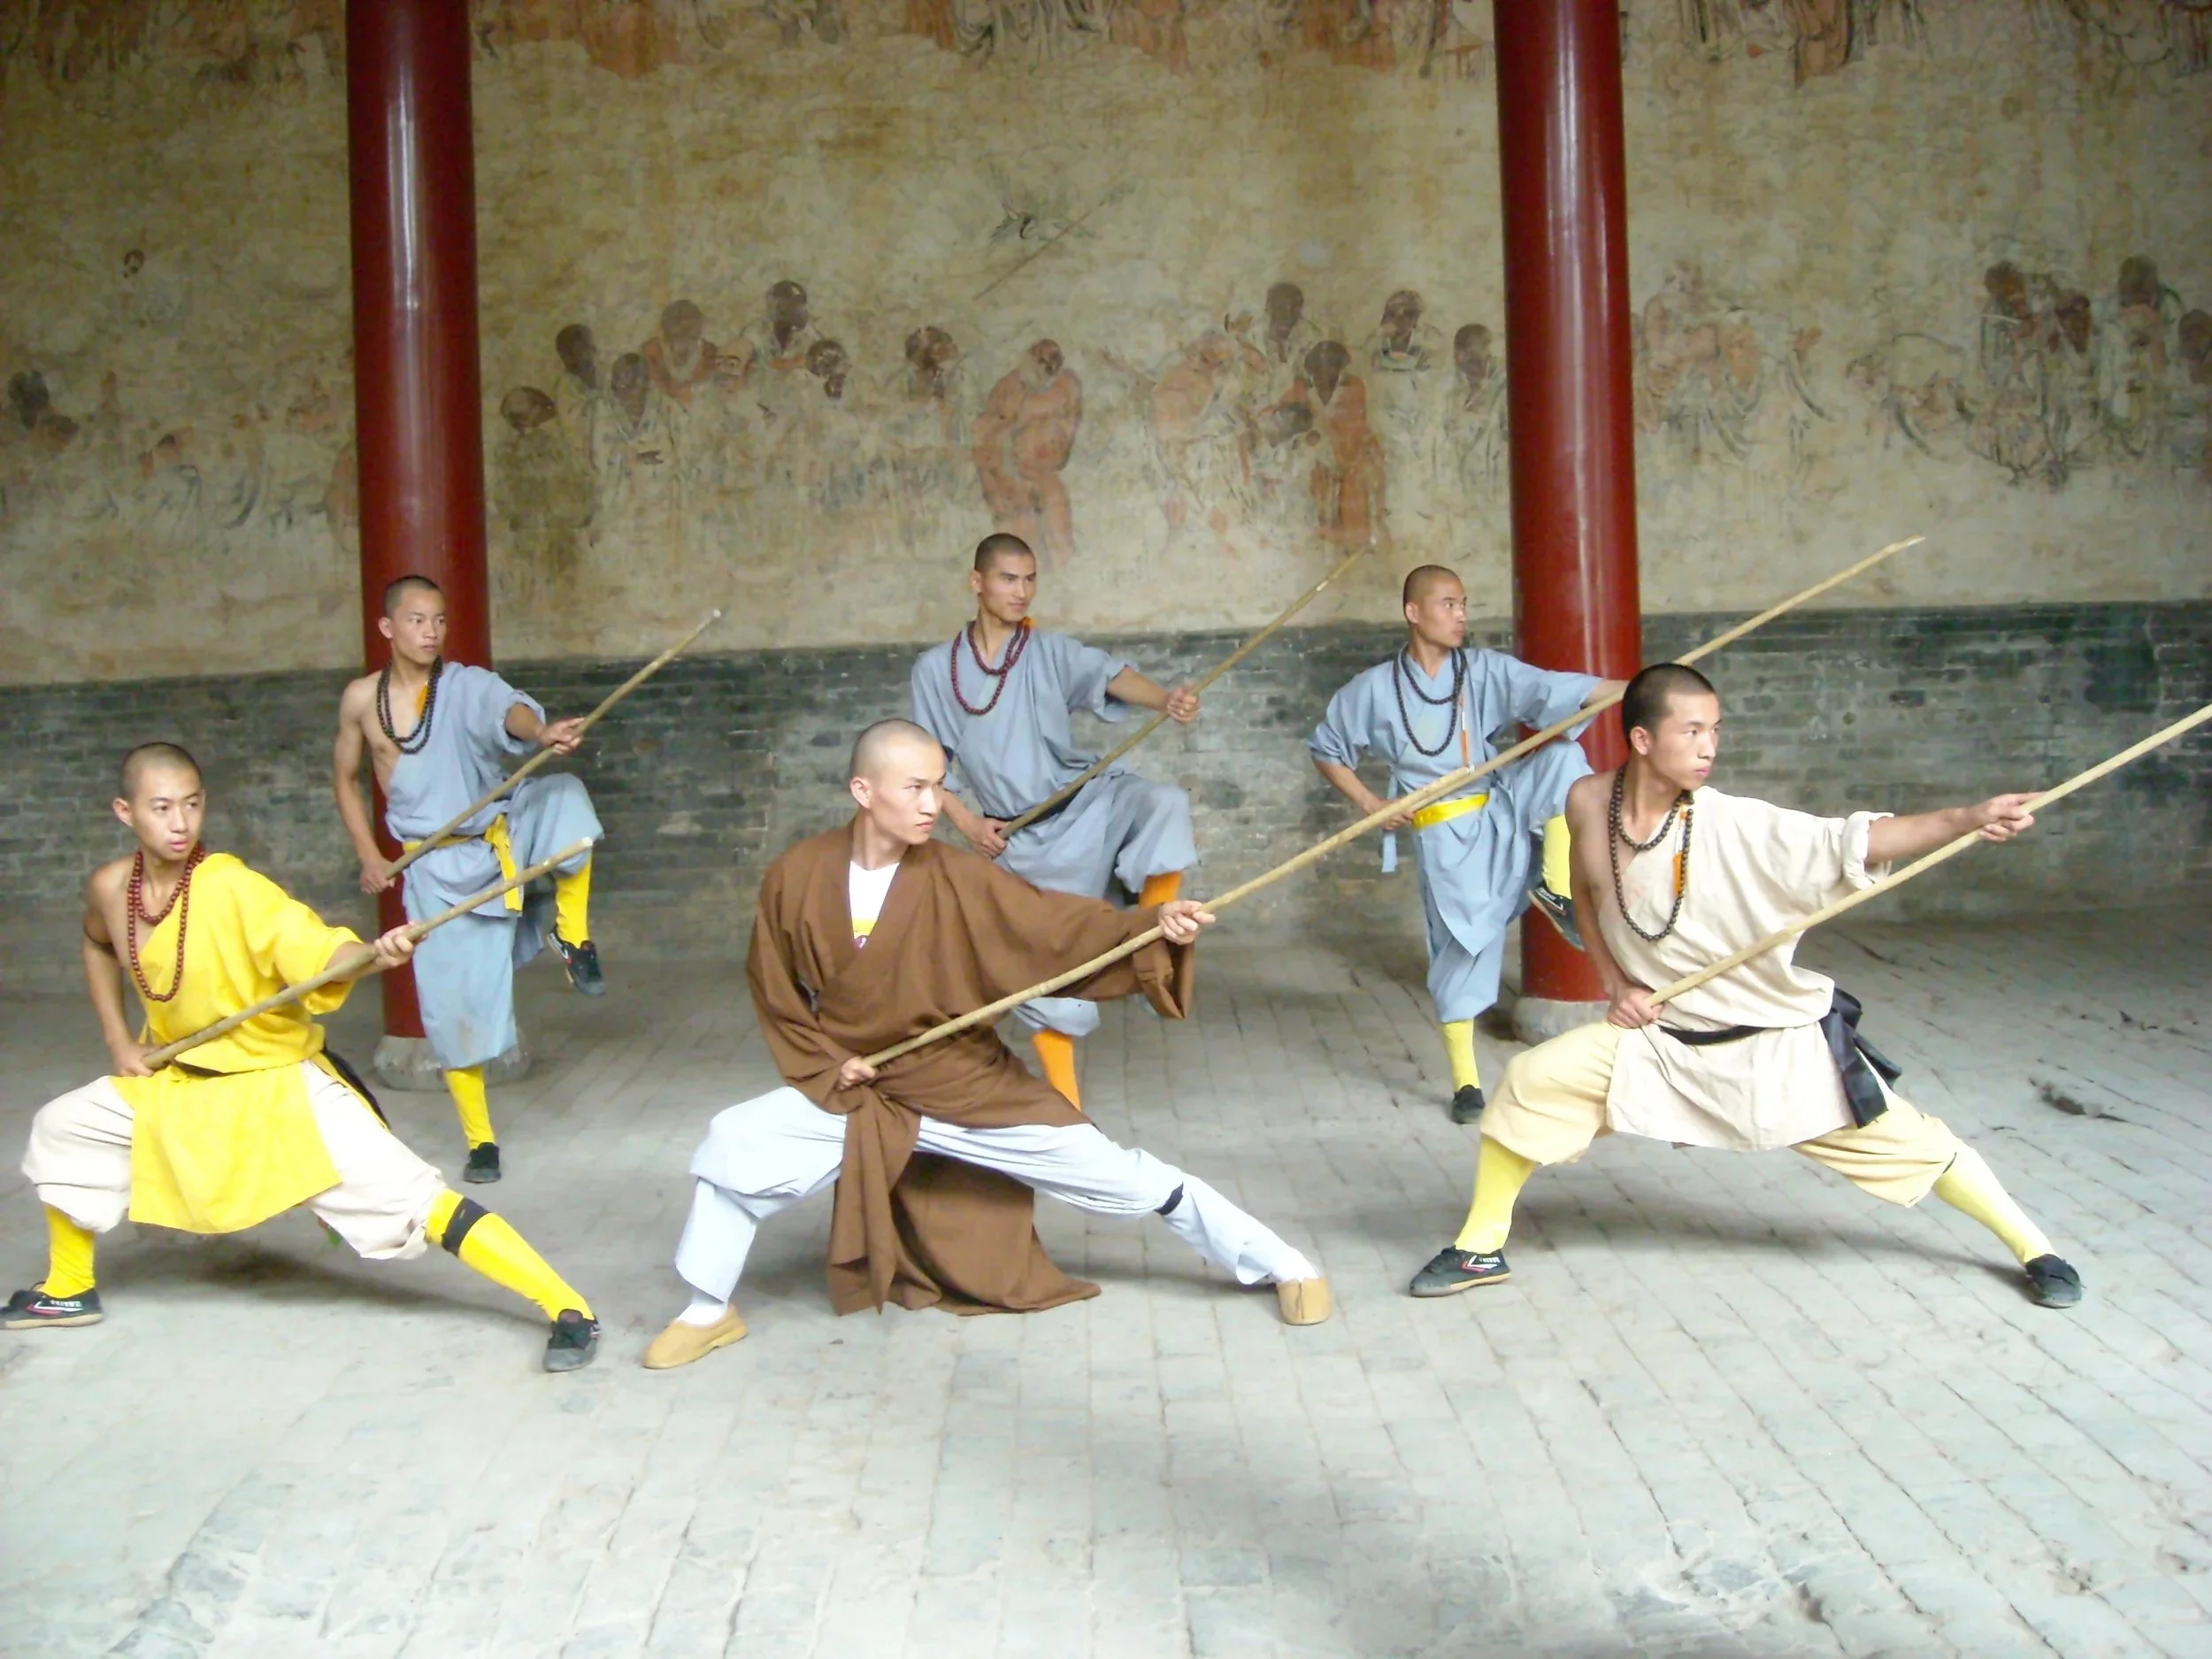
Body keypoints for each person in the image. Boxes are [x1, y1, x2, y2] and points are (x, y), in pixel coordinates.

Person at [641, 720, 1329, 1370]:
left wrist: (1151, 925)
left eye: (939, 786)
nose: (933, 804)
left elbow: (1051, 927)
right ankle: (708, 1310)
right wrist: (827, 1062)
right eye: (915, 787)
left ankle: (1280, 1261)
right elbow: (774, 987)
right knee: (733, 1142)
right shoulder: (796, 875)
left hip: (961, 1082)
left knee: (1121, 1177)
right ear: (863, 791)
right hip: (855, 1085)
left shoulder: (956, 876)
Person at [1408, 663, 2084, 1310]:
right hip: (1663, 1040)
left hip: (1773, 1047)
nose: (1709, 747)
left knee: (1916, 1146)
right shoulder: (1588, 800)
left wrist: (1967, 817)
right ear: (1642, 739)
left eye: (1716, 730)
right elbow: (1587, 891)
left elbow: (1859, 839)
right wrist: (1615, 983)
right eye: (1692, 731)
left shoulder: (1736, 821)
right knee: (1534, 1079)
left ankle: (2036, 1249)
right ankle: (1481, 1247)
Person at [8, 744, 600, 1371]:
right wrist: (119, 1041)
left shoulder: (234, 888)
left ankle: (568, 1308)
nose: (180, 822)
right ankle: (69, 1288)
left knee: (418, 1202)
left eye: (192, 804)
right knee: (64, 1125)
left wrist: (371, 953)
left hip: (278, 1088)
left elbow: (315, 949)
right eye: (161, 808)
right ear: (125, 812)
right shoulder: (112, 888)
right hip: (183, 1086)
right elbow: (96, 941)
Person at [1311, 566, 1624, 1123]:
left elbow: (1554, 689)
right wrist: (1372, 805)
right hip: (1443, 834)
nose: (1461, 616)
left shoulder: (1481, 670)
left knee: (1560, 761)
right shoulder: (1375, 688)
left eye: (1464, 604)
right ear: (1414, 612)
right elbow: (1328, 748)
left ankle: (1556, 890)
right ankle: (1466, 1084)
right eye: (1449, 604)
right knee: (1460, 953)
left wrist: (1637, 690)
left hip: (1499, 804)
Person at [909, 534, 1197, 1108]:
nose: (1021, 591)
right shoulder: (935, 671)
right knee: (1045, 983)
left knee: (1163, 804)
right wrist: (968, 823)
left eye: (1030, 579)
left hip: (1087, 805)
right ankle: (1068, 1107)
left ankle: (1152, 941)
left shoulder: (1049, 651)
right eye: (1008, 579)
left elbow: (1109, 674)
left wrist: (1164, 698)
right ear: (977, 582)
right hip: (1016, 844)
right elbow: (926, 767)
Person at [333, 575, 604, 1184]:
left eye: (439, 621)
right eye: (417, 620)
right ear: (387, 628)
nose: (431, 632)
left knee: (566, 802)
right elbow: (345, 779)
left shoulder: (465, 685)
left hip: (497, 836)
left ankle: (573, 934)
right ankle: (481, 1141)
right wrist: (369, 853)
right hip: (431, 869)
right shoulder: (359, 701)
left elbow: (506, 708)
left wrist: (540, 733)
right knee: (454, 1012)